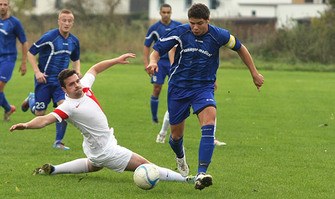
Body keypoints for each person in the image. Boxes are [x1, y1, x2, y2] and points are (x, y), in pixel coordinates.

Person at [9, 53, 204, 188]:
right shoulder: (67, 107)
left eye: (77, 80)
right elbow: (43, 121)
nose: (77, 85)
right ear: (64, 89)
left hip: (95, 146)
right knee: (148, 167)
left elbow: (94, 68)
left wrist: (117, 60)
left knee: (93, 165)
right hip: (106, 150)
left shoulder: (84, 86)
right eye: (71, 84)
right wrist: (26, 125)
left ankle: (53, 170)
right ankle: (187, 180)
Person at [146, 3, 264, 190]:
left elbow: (241, 47)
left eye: (199, 23)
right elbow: (157, 50)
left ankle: (201, 173)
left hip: (203, 88)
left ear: (208, 20)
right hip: (179, 88)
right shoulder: (181, 31)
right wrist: (152, 62)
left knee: (209, 121)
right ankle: (180, 157)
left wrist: (254, 73)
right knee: (176, 137)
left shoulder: (219, 35)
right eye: (192, 23)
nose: (195, 27)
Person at [21, 9, 80, 150]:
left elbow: (76, 58)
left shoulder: (74, 41)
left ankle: (58, 142)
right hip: (45, 80)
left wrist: (77, 72)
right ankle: (31, 99)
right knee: (39, 113)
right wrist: (37, 72)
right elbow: (30, 53)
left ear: (72, 23)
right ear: (58, 21)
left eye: (69, 21)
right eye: (63, 20)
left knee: (64, 109)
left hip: (61, 82)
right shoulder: (50, 37)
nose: (66, 23)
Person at [143, 3, 182, 124]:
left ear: (171, 13)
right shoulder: (154, 28)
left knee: (176, 89)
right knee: (157, 88)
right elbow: (147, 46)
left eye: (168, 12)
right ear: (160, 13)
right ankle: (154, 118)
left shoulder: (178, 27)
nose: (166, 14)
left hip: (173, 63)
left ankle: (175, 116)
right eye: (163, 12)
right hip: (159, 63)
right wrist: (147, 63)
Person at [0, 0, 28, 121]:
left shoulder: (14, 23)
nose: (2, 7)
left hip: (8, 58)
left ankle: (7, 108)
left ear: (8, 6)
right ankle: (8, 108)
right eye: (0, 4)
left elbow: (24, 42)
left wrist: (23, 62)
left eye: (5, 4)